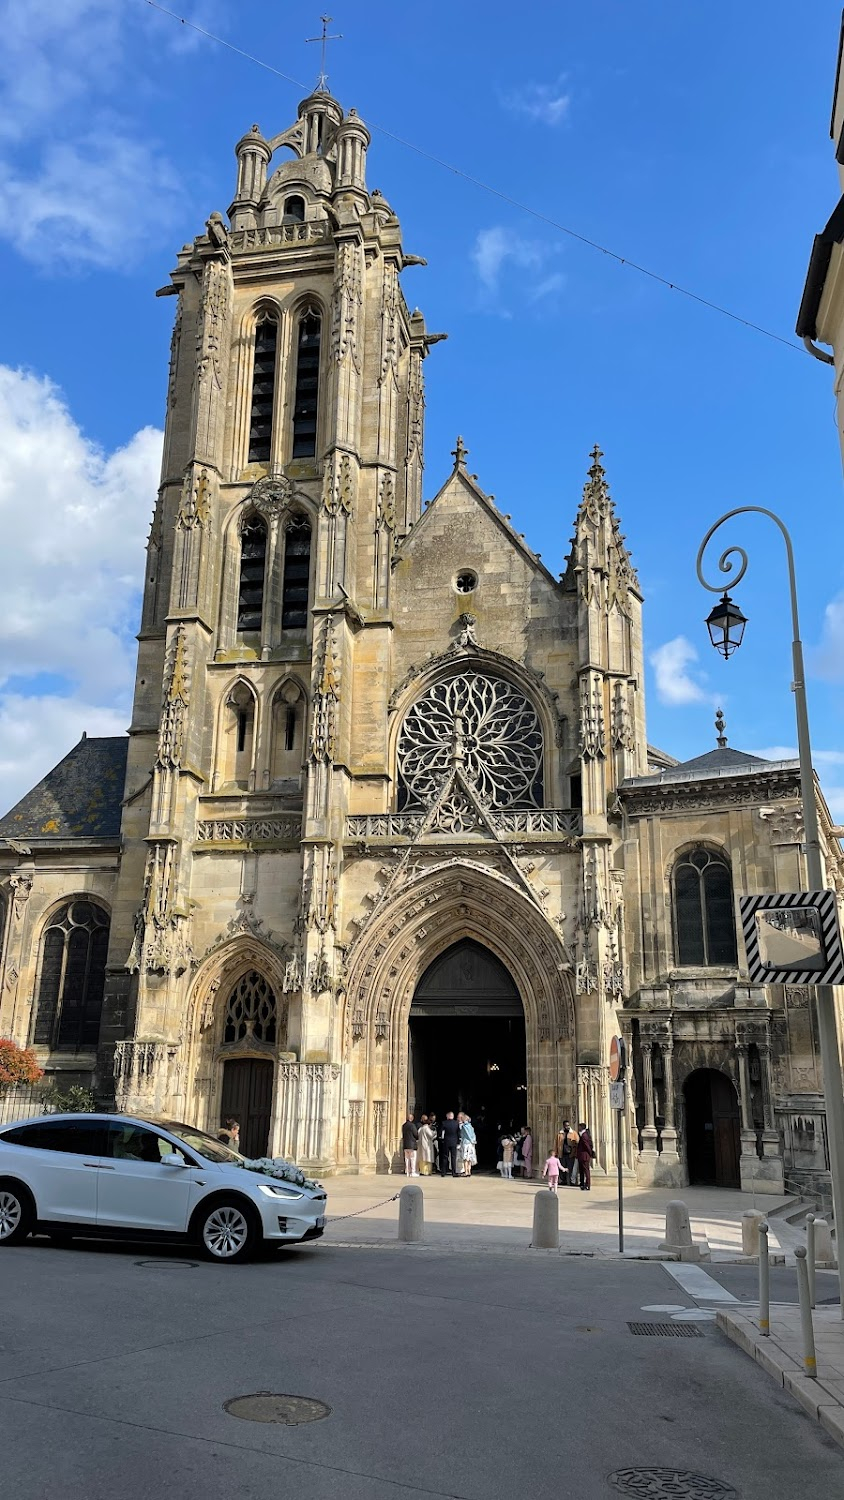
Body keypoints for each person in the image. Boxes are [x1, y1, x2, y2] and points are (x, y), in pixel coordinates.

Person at [557, 1120, 579, 1186]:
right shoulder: (560, 1134)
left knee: (571, 1168)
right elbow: (556, 1143)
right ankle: (563, 1180)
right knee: (562, 1167)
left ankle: (572, 1181)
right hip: (562, 1153)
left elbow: (577, 1142)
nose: (567, 1127)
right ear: (563, 1126)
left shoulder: (574, 1133)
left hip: (570, 1153)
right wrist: (556, 1152)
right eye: (566, 1125)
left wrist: (575, 1152)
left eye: (568, 1125)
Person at [439, 1111, 460, 1176]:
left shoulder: (444, 1123)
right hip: (454, 1142)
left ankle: (443, 1172)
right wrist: (458, 1141)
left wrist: (441, 1138)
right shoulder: (456, 1123)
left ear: (447, 1116)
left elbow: (440, 1132)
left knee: (445, 1157)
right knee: (453, 1157)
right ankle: (454, 1172)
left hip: (446, 1141)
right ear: (453, 1116)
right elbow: (458, 1133)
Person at [576, 1121, 595, 1191]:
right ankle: (583, 1183)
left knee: (586, 1170)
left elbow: (586, 1145)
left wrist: (590, 1153)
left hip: (584, 1155)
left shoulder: (584, 1135)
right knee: (582, 1170)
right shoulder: (584, 1134)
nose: (578, 1128)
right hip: (582, 1155)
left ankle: (587, 1184)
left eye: (579, 1127)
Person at [459, 1113, 477, 1178]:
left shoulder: (464, 1126)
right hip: (471, 1144)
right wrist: (473, 1141)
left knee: (465, 1158)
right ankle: (469, 1171)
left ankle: (466, 1172)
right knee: (469, 1158)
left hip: (466, 1143)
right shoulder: (471, 1126)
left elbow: (466, 1134)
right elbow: (473, 1134)